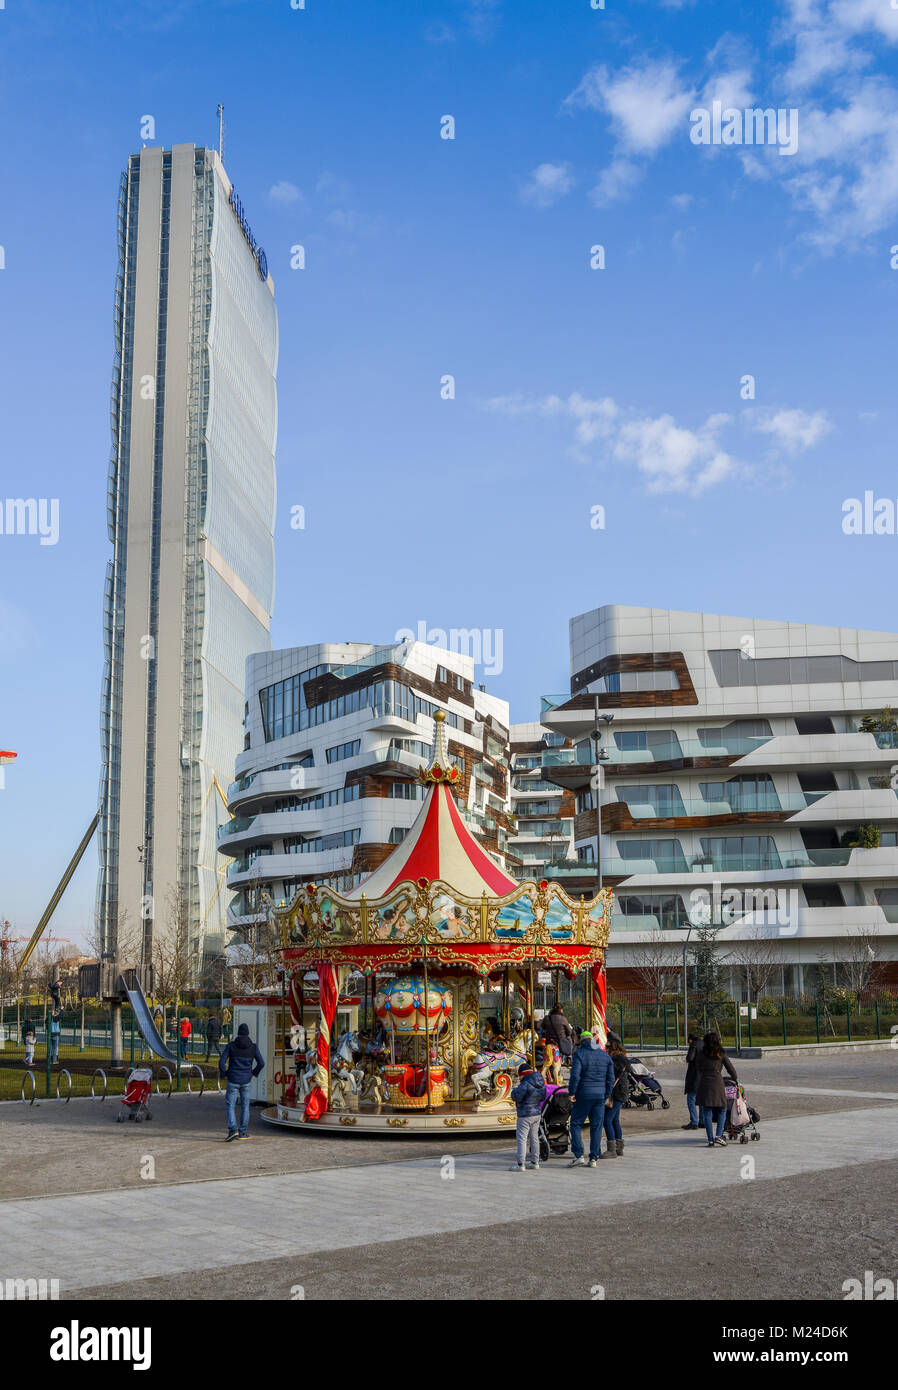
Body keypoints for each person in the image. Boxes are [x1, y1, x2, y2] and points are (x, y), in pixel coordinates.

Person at [567, 1028, 614, 1168]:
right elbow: (610, 1079)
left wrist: (572, 1092)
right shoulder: (605, 1056)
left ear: (581, 1042)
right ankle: (593, 1158)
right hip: (600, 1096)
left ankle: (578, 1154)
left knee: (575, 1124)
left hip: (583, 1095)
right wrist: (606, 1094)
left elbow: (575, 1076)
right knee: (597, 1126)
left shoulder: (579, 1054)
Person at [219, 1022, 265, 1141]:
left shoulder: (231, 1046)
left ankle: (232, 1130)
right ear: (248, 1033)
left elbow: (221, 1062)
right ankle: (242, 1132)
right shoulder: (253, 1047)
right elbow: (261, 1063)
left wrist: (224, 1073)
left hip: (233, 1079)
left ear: (238, 1034)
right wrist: (253, 1073)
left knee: (230, 1106)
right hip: (246, 1081)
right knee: (245, 1107)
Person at [694, 1031, 738, 1148]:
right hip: (717, 1083)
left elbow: (697, 1067)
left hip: (704, 1083)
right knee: (722, 1109)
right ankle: (719, 1136)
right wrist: (735, 1079)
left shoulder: (701, 1054)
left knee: (707, 1111)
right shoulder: (721, 1053)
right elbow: (730, 1069)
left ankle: (710, 1140)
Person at [508, 1061, 547, 1172]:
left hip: (525, 1114)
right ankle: (535, 1162)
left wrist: (514, 1090)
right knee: (534, 1137)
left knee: (522, 1138)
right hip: (536, 1113)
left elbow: (516, 1096)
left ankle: (521, 1164)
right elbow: (542, 1097)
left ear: (523, 1074)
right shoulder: (540, 1081)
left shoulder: (525, 1083)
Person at [602, 1037, 636, 1158]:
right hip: (621, 1092)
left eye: (607, 1047)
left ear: (613, 1047)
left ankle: (611, 1150)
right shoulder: (622, 1057)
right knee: (615, 1120)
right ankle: (619, 1148)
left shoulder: (615, 1059)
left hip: (617, 1093)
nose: (605, 1049)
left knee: (607, 1120)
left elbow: (612, 1074)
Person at [682, 1032, 702, 1130]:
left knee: (691, 1099)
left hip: (695, 1076)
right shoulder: (704, 1044)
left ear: (690, 1040)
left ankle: (694, 1122)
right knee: (702, 1100)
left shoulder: (693, 1045)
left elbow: (690, 1058)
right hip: (704, 1076)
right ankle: (703, 1121)